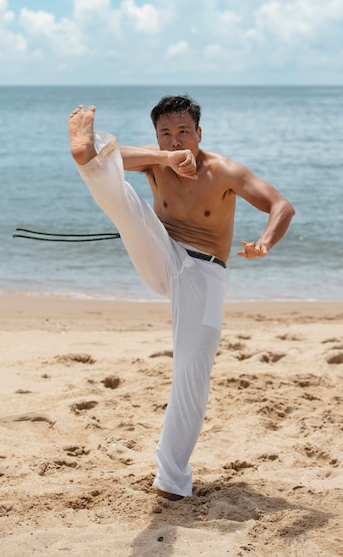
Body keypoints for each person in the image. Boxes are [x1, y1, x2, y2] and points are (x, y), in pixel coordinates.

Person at [68, 95, 295, 501]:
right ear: (157, 136)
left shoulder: (224, 170)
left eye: (183, 133)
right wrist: (165, 159)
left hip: (205, 274)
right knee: (119, 191)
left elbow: (282, 206)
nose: (175, 142)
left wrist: (264, 242)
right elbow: (118, 157)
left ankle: (171, 481)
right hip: (162, 252)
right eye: (165, 135)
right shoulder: (159, 161)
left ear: (199, 133)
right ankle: (85, 152)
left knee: (191, 374)